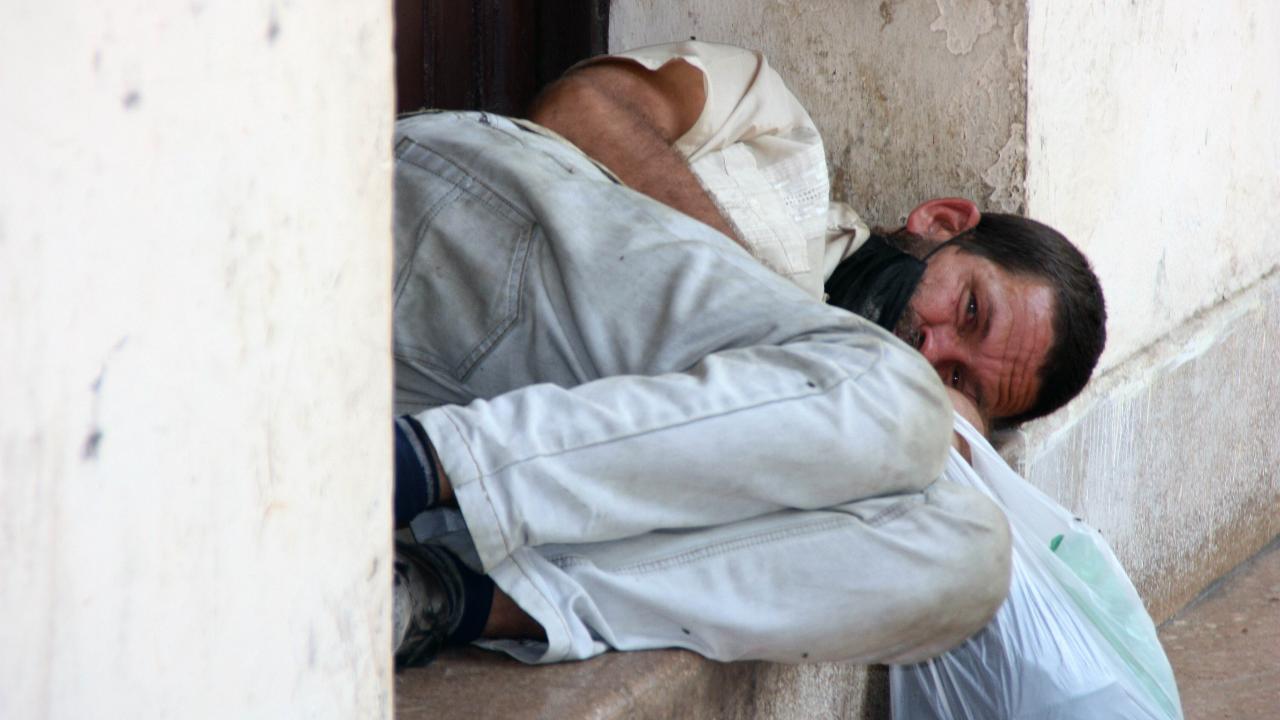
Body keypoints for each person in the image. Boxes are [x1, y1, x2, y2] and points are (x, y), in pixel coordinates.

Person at [389, 42, 1106, 668]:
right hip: (465, 248)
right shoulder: (776, 127)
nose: (933, 344)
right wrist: (814, 345)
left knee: (974, 557)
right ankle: (404, 468)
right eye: (970, 310)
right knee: (897, 399)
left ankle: (455, 594)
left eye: (958, 379)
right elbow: (582, 107)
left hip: (467, 426)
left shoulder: (854, 442)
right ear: (942, 223)